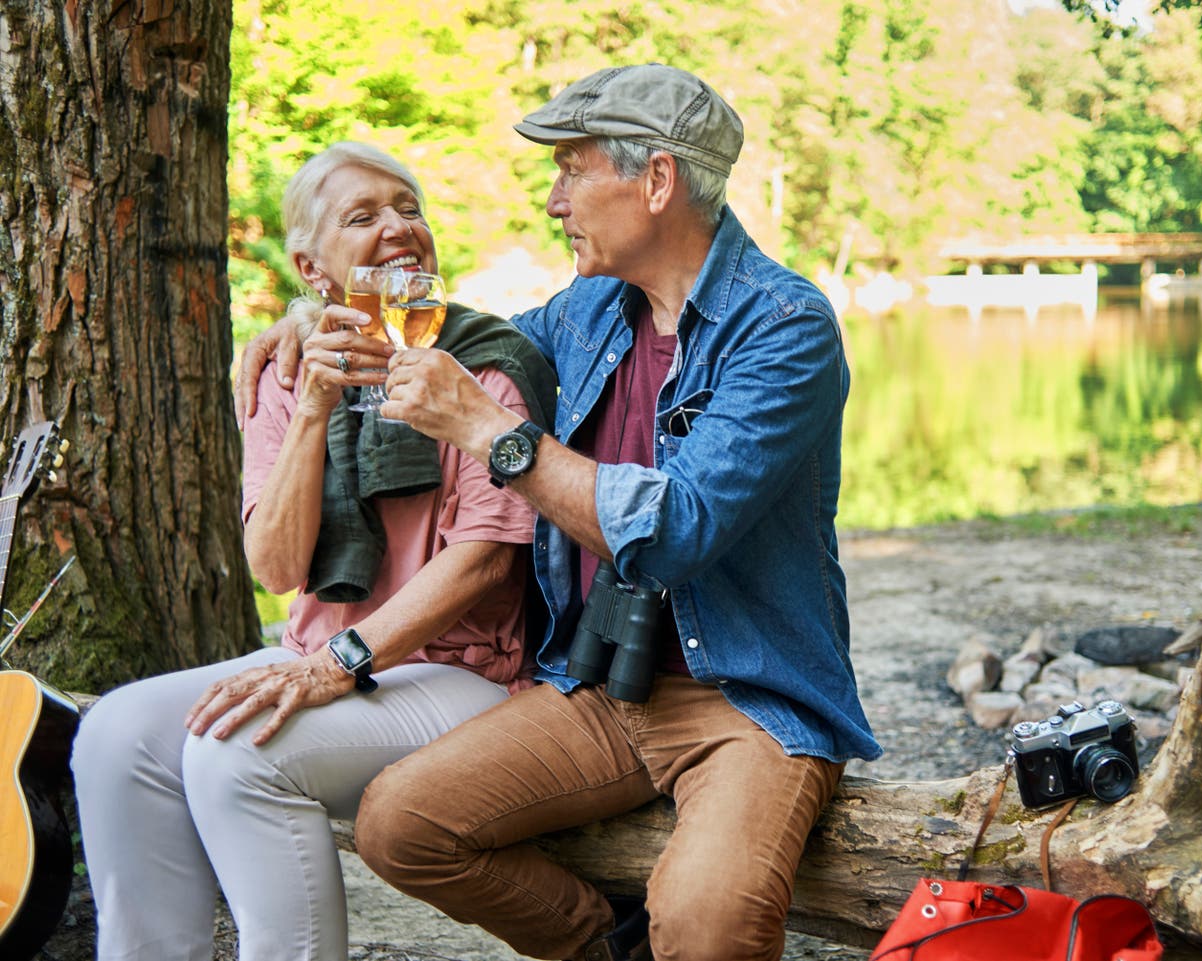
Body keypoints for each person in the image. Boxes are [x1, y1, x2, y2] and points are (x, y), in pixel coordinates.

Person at [236, 64, 880, 961]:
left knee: (704, 922)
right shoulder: (585, 313)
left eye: (573, 171)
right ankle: (604, 949)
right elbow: (448, 333)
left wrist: (491, 430)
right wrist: (308, 318)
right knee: (401, 824)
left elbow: (677, 526)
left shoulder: (783, 326)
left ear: (656, 181)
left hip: (744, 695)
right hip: (591, 687)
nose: (552, 200)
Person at [72, 142, 557, 961]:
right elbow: (275, 566)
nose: (399, 227)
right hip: (322, 657)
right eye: (362, 216)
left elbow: (485, 561)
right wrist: (314, 410)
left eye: (409, 208)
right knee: (116, 732)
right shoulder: (287, 372)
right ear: (311, 266)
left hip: (463, 676)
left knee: (238, 749)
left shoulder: (484, 369)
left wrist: (337, 659)